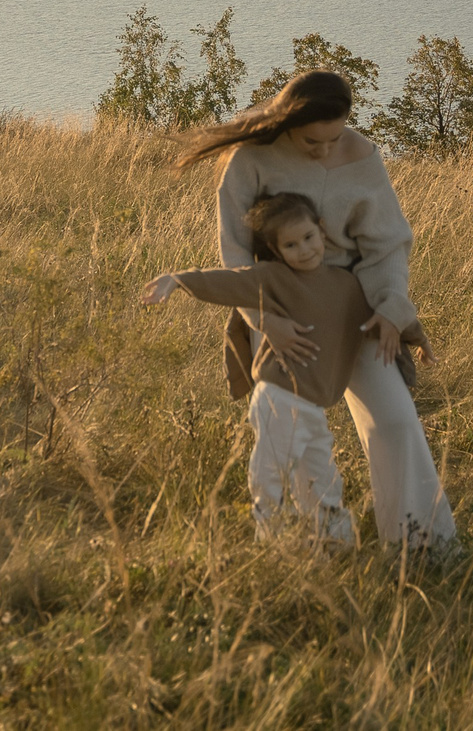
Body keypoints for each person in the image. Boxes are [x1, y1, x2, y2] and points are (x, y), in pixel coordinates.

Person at [173, 69, 458, 549]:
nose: (325, 149)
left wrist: (392, 310)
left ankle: (423, 546)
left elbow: (387, 246)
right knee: (294, 436)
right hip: (282, 307)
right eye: (311, 141)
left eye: (335, 137)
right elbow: (237, 254)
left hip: (356, 306)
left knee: (395, 419)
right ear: (287, 121)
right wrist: (264, 322)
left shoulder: (364, 156)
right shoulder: (249, 158)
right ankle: (315, 544)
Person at [140, 191, 365, 542]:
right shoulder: (274, 278)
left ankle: (332, 539)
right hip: (278, 397)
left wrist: (414, 335)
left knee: (320, 476)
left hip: (315, 406)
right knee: (271, 473)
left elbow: (376, 313)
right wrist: (178, 280)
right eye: (291, 245)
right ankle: (274, 538)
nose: (304, 250)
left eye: (308, 238)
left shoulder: (345, 284)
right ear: (277, 251)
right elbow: (229, 282)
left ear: (322, 231)